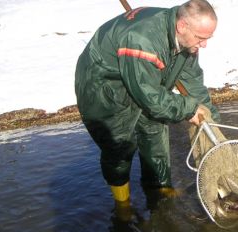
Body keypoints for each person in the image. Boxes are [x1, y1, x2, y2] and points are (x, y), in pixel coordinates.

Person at [74, 0, 220, 216]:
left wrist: (211, 118)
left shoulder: (188, 38)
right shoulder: (142, 41)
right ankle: (122, 205)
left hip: (143, 75)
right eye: (201, 38)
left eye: (208, 38)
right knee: (119, 145)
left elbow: (193, 83)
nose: (204, 44)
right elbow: (151, 98)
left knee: (155, 132)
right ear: (182, 26)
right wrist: (188, 109)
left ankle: (159, 189)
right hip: (104, 85)